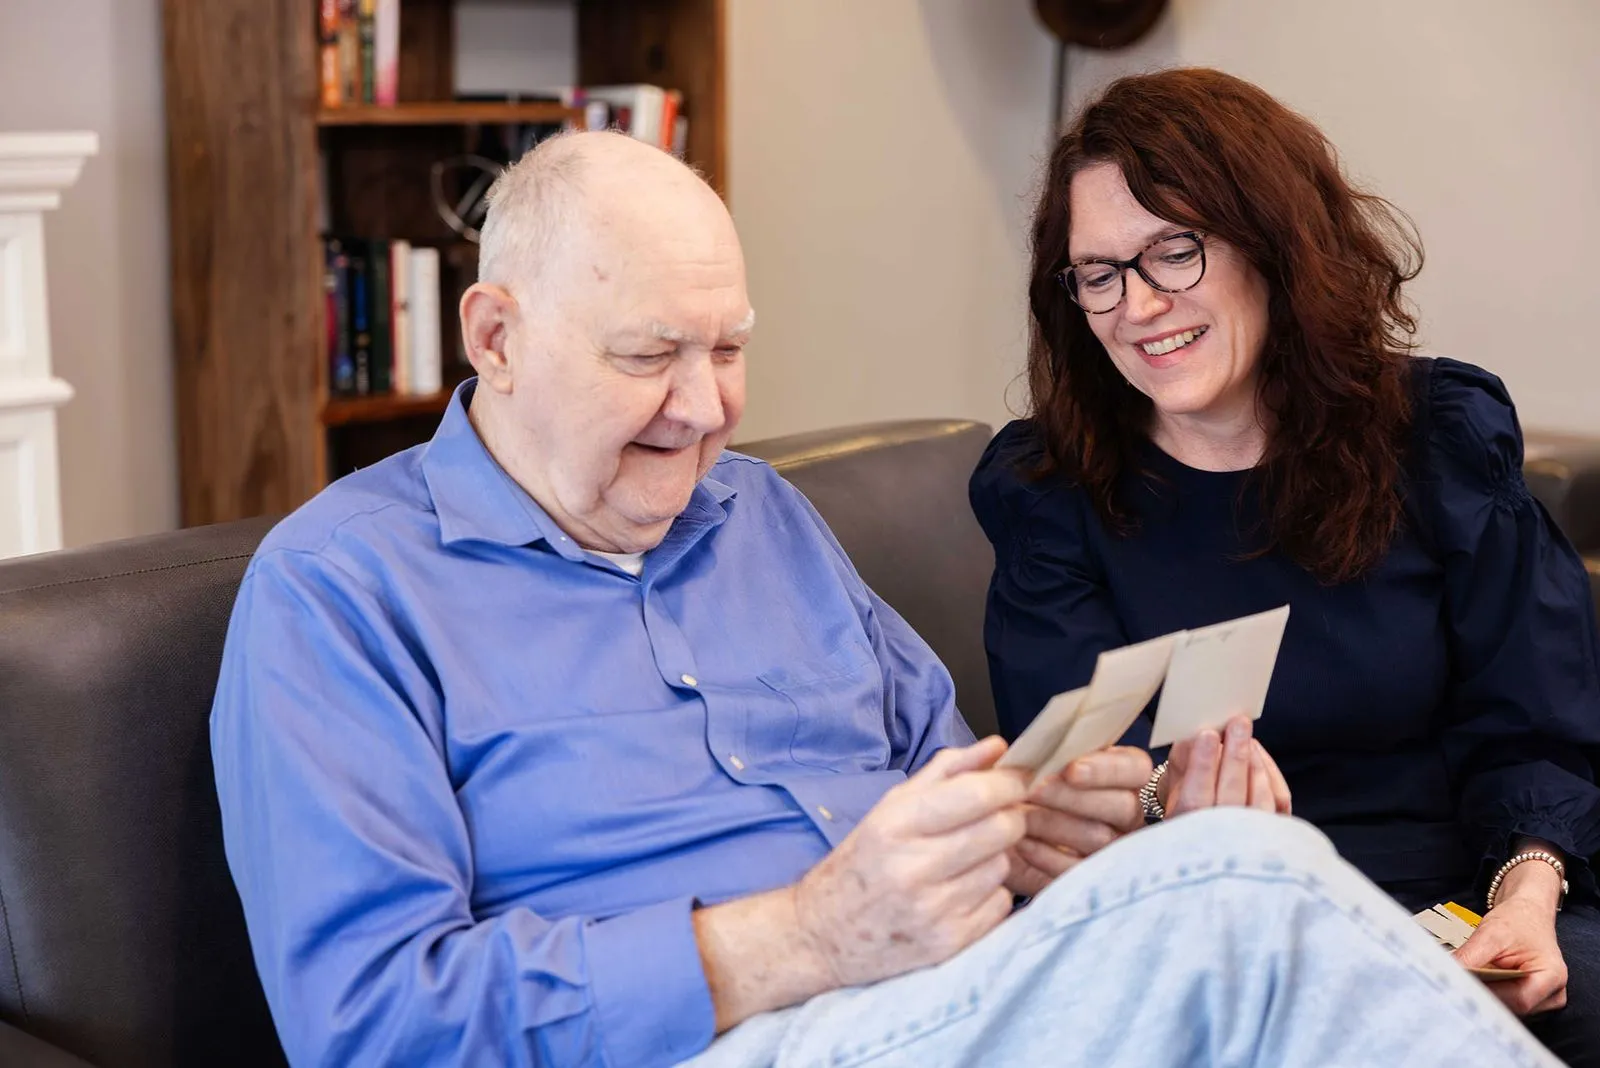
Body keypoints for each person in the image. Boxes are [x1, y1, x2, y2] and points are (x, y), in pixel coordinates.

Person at [212, 129, 1560, 1068]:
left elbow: (947, 784)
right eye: (648, 357)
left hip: (937, 1001)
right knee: (1240, 894)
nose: (704, 409)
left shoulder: (764, 520)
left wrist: (1048, 834)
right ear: (496, 338)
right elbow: (370, 1024)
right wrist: (798, 936)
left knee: (1223, 884)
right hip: (715, 1043)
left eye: (730, 350)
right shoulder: (341, 595)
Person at [970, 67, 1600, 1066]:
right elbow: (1075, 776)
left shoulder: (1436, 438)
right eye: (1098, 273)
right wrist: (1159, 804)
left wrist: (1526, 894)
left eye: (1174, 251)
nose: (1137, 305)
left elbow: (1535, 728)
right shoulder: (1049, 490)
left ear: (1272, 246)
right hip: (1197, 921)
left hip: (1459, 901)